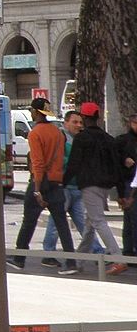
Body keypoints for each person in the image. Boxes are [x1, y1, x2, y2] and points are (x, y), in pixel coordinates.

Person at [11, 96, 78, 274]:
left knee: (29, 222)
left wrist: (37, 189)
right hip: (57, 182)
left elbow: (38, 163)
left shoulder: (35, 133)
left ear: (35, 112)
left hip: (40, 182)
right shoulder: (58, 133)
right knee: (62, 223)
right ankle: (71, 263)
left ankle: (19, 258)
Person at [63, 101, 129, 275]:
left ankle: (117, 258)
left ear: (84, 118)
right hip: (105, 186)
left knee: (97, 221)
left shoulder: (81, 138)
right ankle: (79, 260)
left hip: (89, 185)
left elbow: (74, 164)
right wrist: (121, 193)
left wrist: (62, 183)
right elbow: (117, 166)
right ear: (98, 117)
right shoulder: (108, 139)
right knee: (90, 223)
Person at [41, 110, 101, 265]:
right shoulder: (61, 139)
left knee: (82, 222)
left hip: (76, 186)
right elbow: (60, 160)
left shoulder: (79, 139)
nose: (78, 125)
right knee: (56, 222)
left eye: (80, 122)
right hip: (64, 186)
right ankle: (48, 252)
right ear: (65, 123)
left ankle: (97, 251)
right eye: (75, 122)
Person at [117, 111, 137, 259]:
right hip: (129, 182)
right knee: (130, 217)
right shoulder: (124, 141)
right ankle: (129, 249)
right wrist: (124, 160)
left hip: (132, 182)